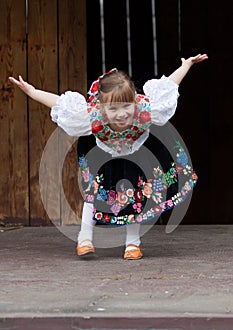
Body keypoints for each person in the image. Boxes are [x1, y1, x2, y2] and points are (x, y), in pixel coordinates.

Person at [9, 53, 208, 260]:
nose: (121, 114)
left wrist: (186, 65)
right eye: (113, 109)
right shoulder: (92, 115)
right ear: (102, 107)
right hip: (102, 154)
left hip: (135, 153)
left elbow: (169, 85)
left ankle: (133, 243)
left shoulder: (145, 108)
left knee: (135, 195)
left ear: (134, 101)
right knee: (94, 192)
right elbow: (59, 103)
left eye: (126, 106)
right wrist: (32, 92)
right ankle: (84, 238)